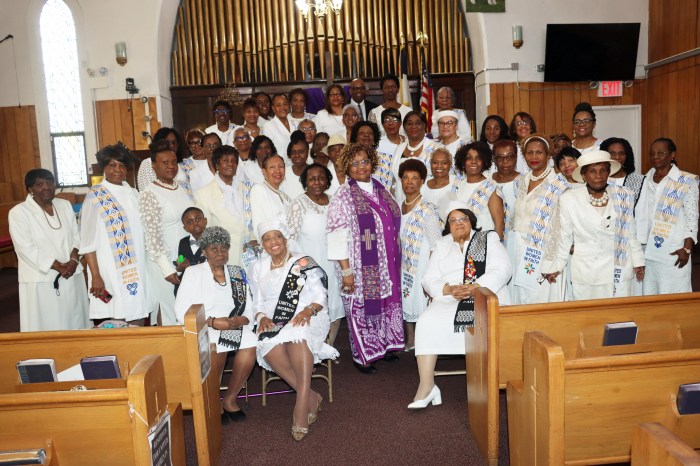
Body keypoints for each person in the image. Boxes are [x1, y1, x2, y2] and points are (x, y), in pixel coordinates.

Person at [409, 202, 511, 409]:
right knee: (426, 322)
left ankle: (488, 382)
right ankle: (427, 386)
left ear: (471, 221)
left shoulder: (487, 239)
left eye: (462, 219)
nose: (458, 224)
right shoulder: (442, 244)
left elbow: (504, 268)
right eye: (453, 220)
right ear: (448, 225)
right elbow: (429, 278)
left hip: (484, 293)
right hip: (450, 297)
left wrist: (476, 286)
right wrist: (447, 289)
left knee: (483, 322)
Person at [251, 219, 338, 440]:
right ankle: (310, 396)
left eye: (277, 236)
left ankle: (300, 408)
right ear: (263, 244)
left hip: (307, 314)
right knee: (269, 347)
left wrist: (308, 311)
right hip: (274, 319)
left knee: (298, 335)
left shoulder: (303, 262)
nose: (273, 242)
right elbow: (257, 303)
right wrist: (261, 318)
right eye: (268, 239)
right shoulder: (258, 267)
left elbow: (320, 295)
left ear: (285, 239)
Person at [327, 143, 404, 374]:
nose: (361, 167)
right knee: (362, 307)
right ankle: (364, 355)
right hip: (360, 267)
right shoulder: (343, 196)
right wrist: (347, 272)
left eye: (365, 161)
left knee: (386, 302)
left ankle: (385, 345)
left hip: (386, 264)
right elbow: (336, 236)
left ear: (372, 162)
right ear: (346, 167)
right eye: (354, 163)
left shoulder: (381, 189)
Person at [175, 226, 256, 422]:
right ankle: (213, 399)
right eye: (214, 249)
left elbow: (250, 307)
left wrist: (241, 319)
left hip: (233, 323)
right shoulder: (193, 273)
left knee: (250, 344)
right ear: (204, 251)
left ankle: (229, 399)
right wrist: (212, 321)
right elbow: (181, 311)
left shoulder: (237, 272)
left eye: (224, 248)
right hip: (205, 325)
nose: (220, 253)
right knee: (216, 347)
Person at [541, 151, 645, 299]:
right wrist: (556, 267)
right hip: (586, 271)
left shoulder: (625, 194)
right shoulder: (569, 199)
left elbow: (630, 233)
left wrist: (638, 261)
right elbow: (564, 237)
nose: (599, 175)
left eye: (603, 170)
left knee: (619, 317)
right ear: (583, 175)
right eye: (592, 171)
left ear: (609, 172)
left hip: (619, 268)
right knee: (588, 318)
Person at [10, 169, 89, 331]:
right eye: (39, 184)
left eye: (50, 183)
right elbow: (25, 247)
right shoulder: (19, 213)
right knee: (48, 324)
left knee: (76, 321)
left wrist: (74, 260)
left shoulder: (64, 205)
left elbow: (77, 236)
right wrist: (58, 266)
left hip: (72, 273)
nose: (46, 187)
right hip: (42, 278)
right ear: (29, 189)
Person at [79, 143, 150, 325]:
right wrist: (96, 276)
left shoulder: (133, 193)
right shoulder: (95, 196)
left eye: (121, 165)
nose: (117, 170)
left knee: (138, 310)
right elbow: (87, 242)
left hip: (137, 266)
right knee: (117, 313)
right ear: (104, 168)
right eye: (112, 165)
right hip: (109, 269)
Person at [287, 163, 344, 348]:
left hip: (335, 266)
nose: (317, 182)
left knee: (335, 308)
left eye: (321, 178)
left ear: (328, 180)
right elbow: (291, 240)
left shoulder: (336, 201)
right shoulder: (298, 204)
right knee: (312, 309)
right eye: (312, 178)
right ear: (305, 182)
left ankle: (329, 347)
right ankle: (311, 351)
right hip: (310, 269)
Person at [139, 139, 195, 325]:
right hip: (163, 262)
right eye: (165, 163)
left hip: (183, 258)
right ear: (154, 165)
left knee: (187, 309)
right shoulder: (149, 193)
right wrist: (166, 268)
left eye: (173, 162)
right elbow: (152, 235)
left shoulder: (181, 187)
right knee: (170, 311)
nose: (171, 166)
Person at [511, 134, 569, 304]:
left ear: (548, 155)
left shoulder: (559, 184)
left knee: (542, 300)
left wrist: (554, 264)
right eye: (529, 153)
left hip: (545, 254)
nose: (534, 157)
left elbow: (562, 227)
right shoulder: (521, 181)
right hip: (520, 250)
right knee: (522, 300)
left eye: (539, 153)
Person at [640, 137, 699, 294]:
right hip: (648, 252)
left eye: (661, 153)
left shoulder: (686, 181)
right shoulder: (643, 180)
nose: (655, 156)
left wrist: (687, 248)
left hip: (674, 251)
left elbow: (692, 217)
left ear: (672, 155)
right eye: (652, 153)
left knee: (674, 297)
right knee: (650, 296)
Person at [397, 160, 442, 351]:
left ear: (422, 181)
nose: (409, 182)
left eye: (415, 178)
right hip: (406, 265)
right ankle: (411, 340)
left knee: (421, 302)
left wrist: (432, 273)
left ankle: (426, 342)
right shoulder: (401, 206)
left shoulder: (427, 209)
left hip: (423, 264)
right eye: (406, 178)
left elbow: (436, 245)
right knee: (407, 300)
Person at [194, 145, 247, 267]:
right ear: (216, 165)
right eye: (225, 161)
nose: (230, 164)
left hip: (247, 254)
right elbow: (204, 231)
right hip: (223, 256)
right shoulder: (203, 194)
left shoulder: (245, 189)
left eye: (234, 161)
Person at [452, 141, 505, 239]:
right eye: (469, 158)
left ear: (484, 162)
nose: (474, 161)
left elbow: (499, 225)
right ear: (463, 162)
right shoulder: (459, 184)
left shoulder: (491, 187)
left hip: (483, 244)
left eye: (478, 158)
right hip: (460, 244)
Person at [249, 153, 291, 239]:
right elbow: (259, 226)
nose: (277, 171)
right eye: (272, 167)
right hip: (272, 247)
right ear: (264, 172)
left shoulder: (285, 197)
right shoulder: (259, 189)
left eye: (281, 166)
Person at [491, 139, 520, 243]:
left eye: (509, 156)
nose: (505, 161)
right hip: (490, 238)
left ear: (516, 158)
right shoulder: (487, 180)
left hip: (516, 240)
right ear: (494, 159)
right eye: (500, 157)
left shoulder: (524, 182)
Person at [374, 107, 405, 191]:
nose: (390, 123)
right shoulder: (377, 144)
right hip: (381, 189)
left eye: (394, 119)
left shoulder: (406, 143)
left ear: (400, 123)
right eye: (387, 120)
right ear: (382, 124)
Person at [176, 207, 208, 280]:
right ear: (185, 228)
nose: (195, 223)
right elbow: (180, 260)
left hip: (206, 284)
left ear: (205, 221)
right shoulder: (183, 242)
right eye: (190, 222)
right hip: (186, 284)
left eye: (198, 219)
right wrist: (179, 268)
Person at [262, 94, 294, 163]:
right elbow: (268, 150)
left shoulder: (295, 123)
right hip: (280, 165)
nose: (282, 107)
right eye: (278, 105)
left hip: (297, 164)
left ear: (289, 105)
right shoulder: (268, 126)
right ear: (273, 108)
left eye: (285, 104)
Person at [281, 130, 311, 200]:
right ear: (290, 155)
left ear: (307, 153)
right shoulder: (283, 172)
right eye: (293, 152)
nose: (297, 155)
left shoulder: (313, 172)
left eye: (301, 152)